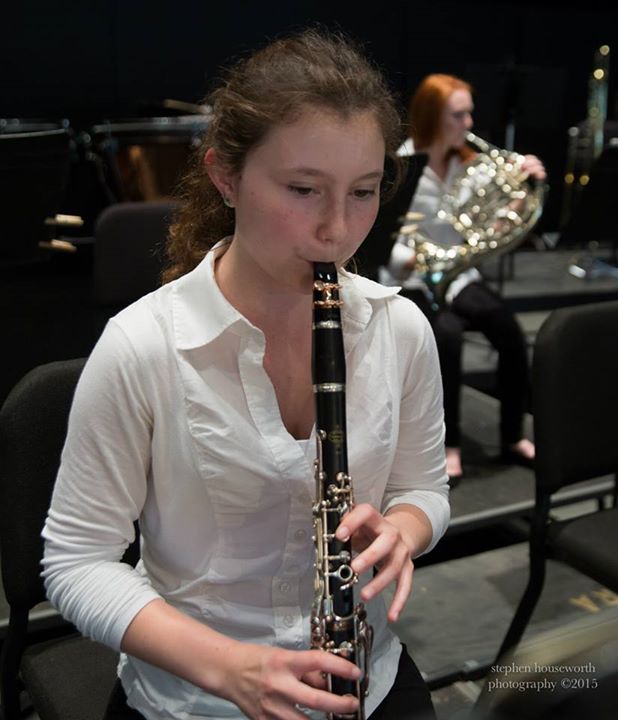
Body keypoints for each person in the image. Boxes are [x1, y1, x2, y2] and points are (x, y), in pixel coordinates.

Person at [41, 30, 450, 720]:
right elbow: (75, 563)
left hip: (364, 679)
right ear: (226, 176)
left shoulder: (400, 329)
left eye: (364, 192)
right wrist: (230, 668)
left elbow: (424, 487)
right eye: (303, 189)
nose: (337, 231)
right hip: (196, 699)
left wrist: (404, 530)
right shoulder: (143, 347)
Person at [386, 73, 546, 483]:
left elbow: (488, 226)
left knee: (509, 331)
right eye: (459, 115)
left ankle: (512, 435)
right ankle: (448, 444)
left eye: (469, 112)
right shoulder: (401, 164)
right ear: (433, 116)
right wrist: (414, 261)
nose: (469, 123)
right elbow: (387, 231)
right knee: (448, 339)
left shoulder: (470, 163)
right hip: (413, 277)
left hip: (458, 274)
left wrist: (523, 189)